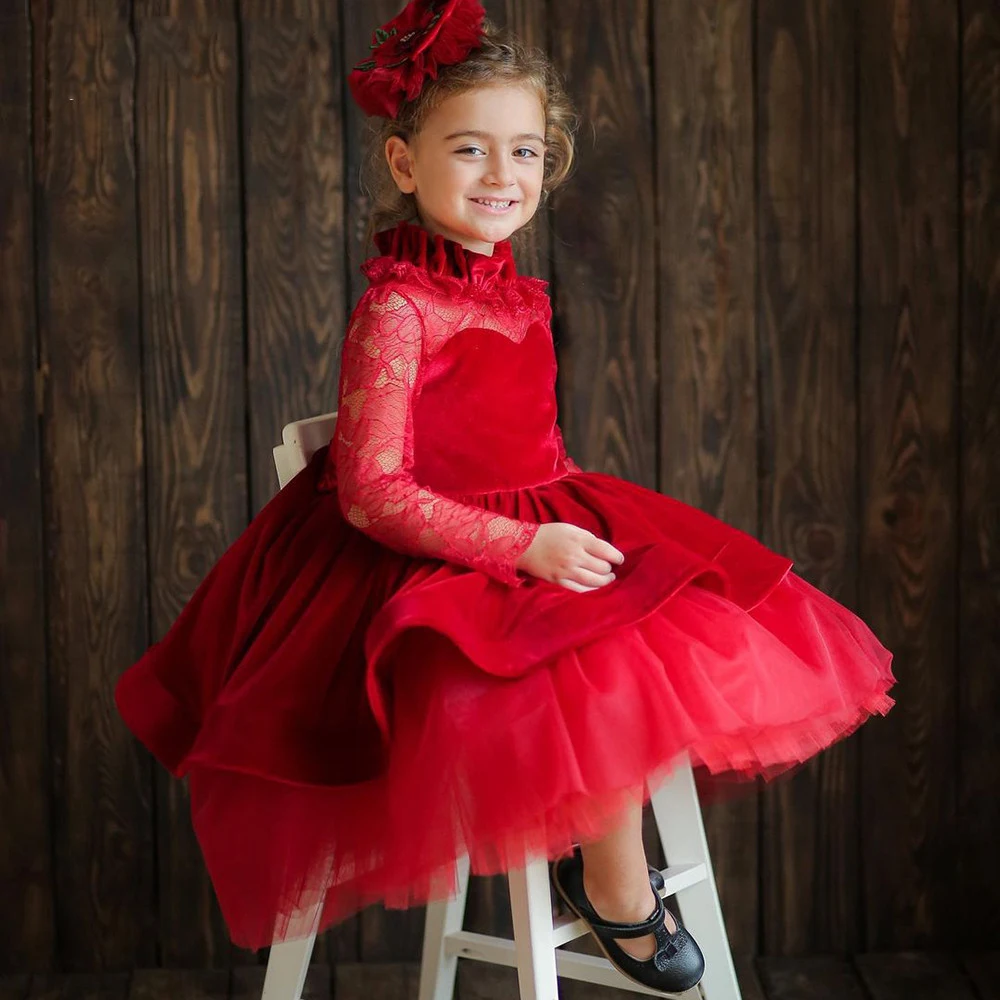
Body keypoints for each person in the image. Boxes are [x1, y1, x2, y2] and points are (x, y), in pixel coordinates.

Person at [114, 0, 896, 993]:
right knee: (596, 650)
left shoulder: (506, 287)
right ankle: (613, 888)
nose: (501, 176)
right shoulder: (398, 307)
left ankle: (595, 857)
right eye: (470, 149)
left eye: (524, 152)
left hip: (533, 517)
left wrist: (554, 529)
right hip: (418, 562)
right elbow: (370, 491)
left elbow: (521, 440)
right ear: (404, 163)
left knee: (666, 604)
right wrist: (521, 548)